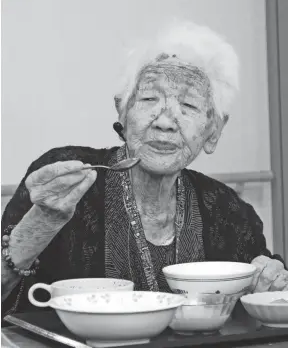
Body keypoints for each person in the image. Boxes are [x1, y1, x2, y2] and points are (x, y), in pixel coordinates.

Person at [2, 20, 287, 317]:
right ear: (122, 112)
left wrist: (270, 282)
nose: (164, 121)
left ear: (214, 130)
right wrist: (42, 222)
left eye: (188, 105)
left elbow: (264, 295)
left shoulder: (229, 211)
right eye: (149, 98)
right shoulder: (65, 180)